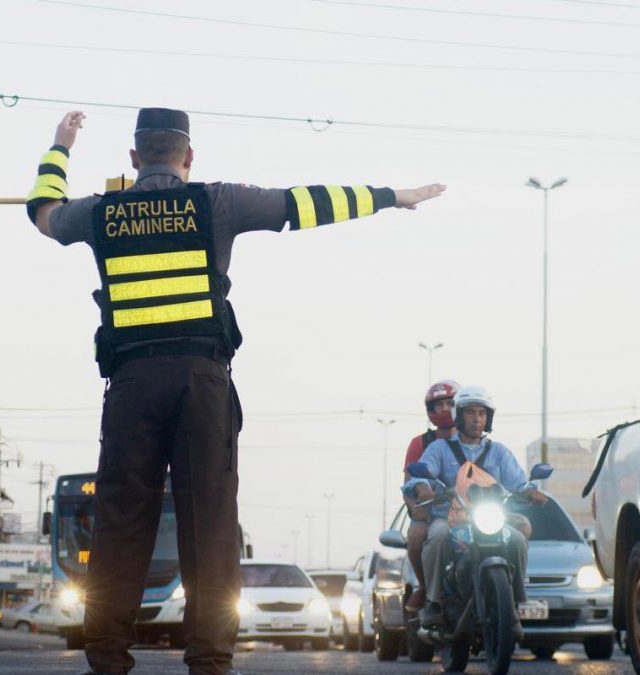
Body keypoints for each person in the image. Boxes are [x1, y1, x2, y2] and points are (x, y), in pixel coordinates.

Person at [26, 107, 445, 675]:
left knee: (120, 523)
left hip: (131, 386)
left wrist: (61, 146)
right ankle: (209, 661)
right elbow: (302, 203)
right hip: (201, 385)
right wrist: (392, 196)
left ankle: (107, 659)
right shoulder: (216, 202)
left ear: (134, 158)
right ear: (189, 157)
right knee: (212, 524)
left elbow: (44, 213)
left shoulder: (101, 212)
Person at [402, 386, 546, 628]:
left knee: (518, 539)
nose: (477, 419)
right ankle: (433, 600)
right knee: (437, 536)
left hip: (490, 518)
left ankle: (516, 601)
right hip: (450, 518)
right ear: (458, 416)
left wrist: (530, 491)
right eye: (470, 412)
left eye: (482, 413)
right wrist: (422, 488)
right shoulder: (439, 449)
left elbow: (519, 482)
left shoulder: (498, 452)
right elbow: (418, 476)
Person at [401, 380, 460, 611]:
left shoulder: (474, 441)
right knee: (417, 535)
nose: (445, 409)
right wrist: (417, 508)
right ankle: (426, 587)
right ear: (430, 410)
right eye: (439, 405)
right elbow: (409, 483)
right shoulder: (421, 443)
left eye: (450, 403)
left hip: (470, 511)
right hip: (433, 511)